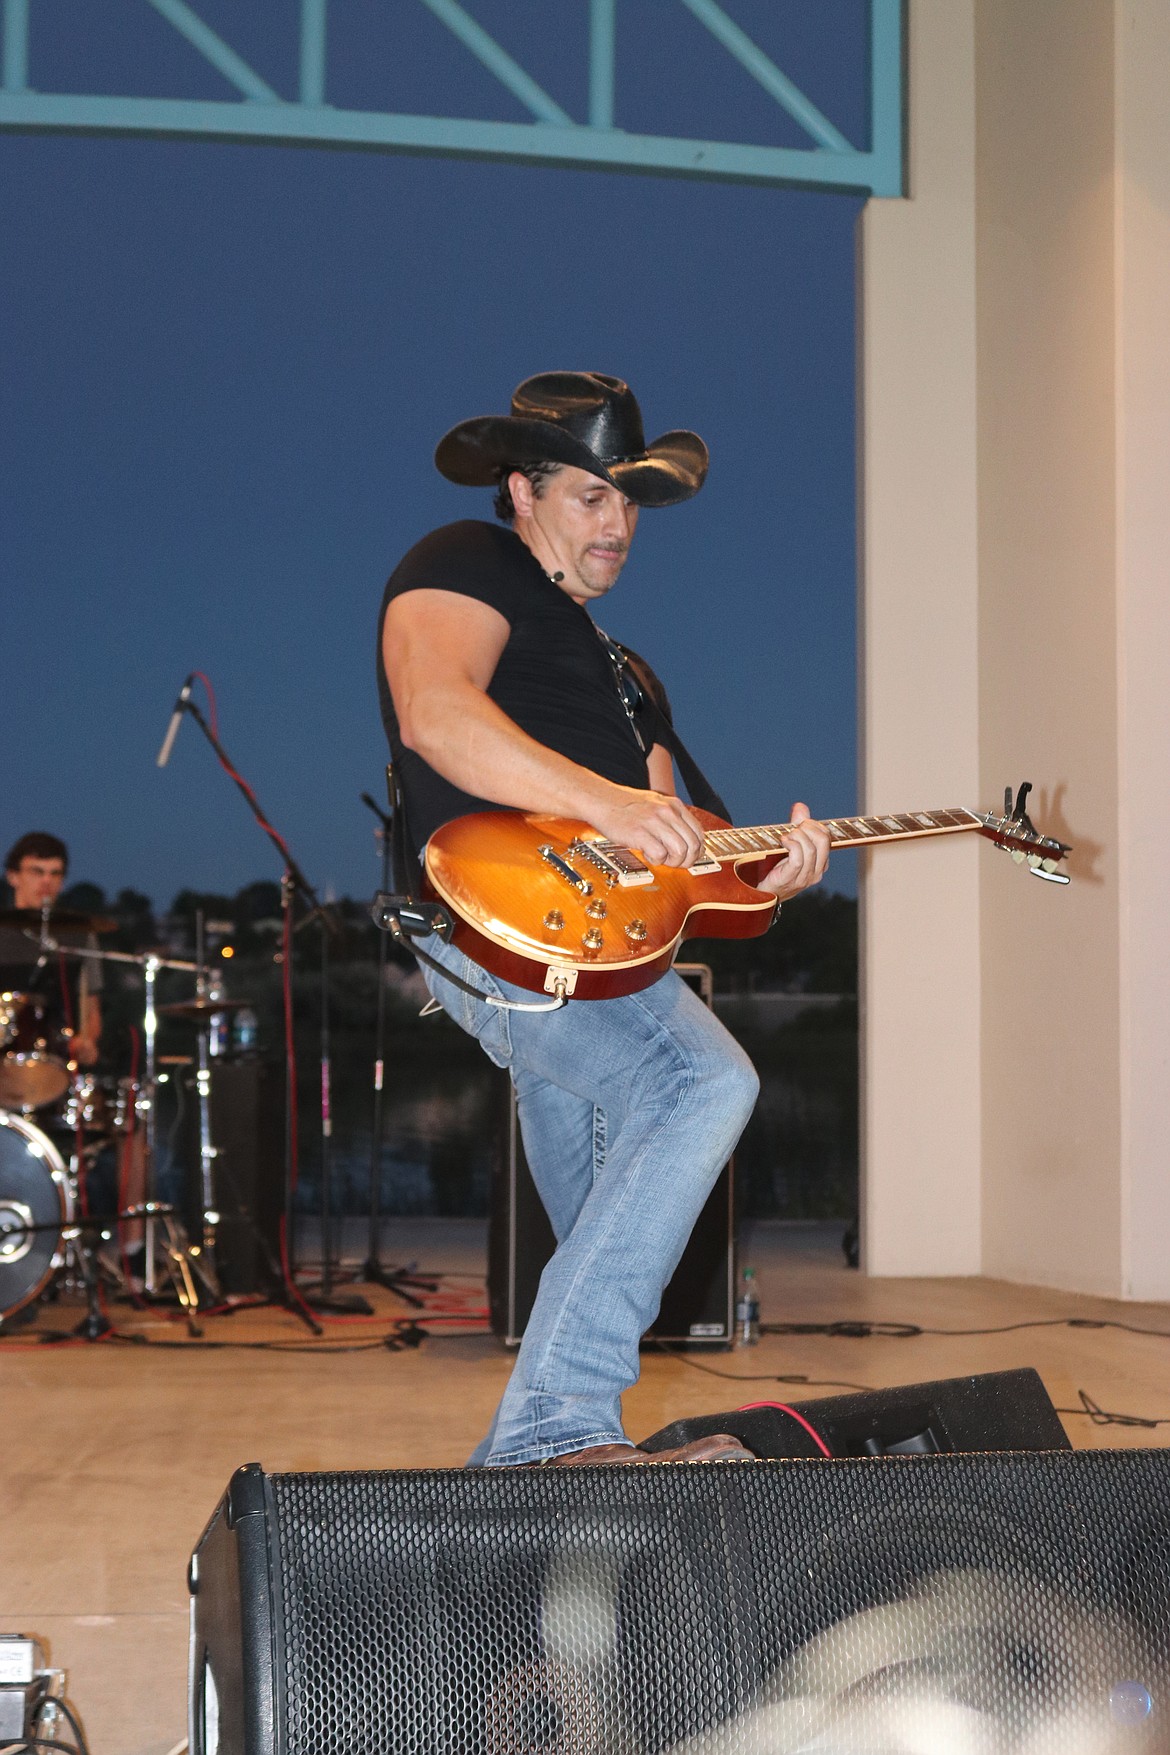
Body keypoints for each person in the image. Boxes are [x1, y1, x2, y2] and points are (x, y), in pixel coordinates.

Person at [378, 371, 830, 1467]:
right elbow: (437, 714)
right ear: (521, 492)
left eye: (630, 504)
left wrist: (774, 869)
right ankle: (552, 1433)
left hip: (604, 954)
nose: (619, 525)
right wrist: (610, 801)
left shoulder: (627, 676)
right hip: (495, 917)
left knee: (602, 1222)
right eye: (592, 497)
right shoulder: (463, 562)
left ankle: (567, 1488)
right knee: (701, 1083)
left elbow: (684, 848)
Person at [1, 831, 102, 1068]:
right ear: (13, 877)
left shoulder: (80, 936)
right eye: (37, 872)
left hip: (56, 1066)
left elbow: (91, 1010)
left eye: (54, 874)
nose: (46, 881)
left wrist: (86, 1040)